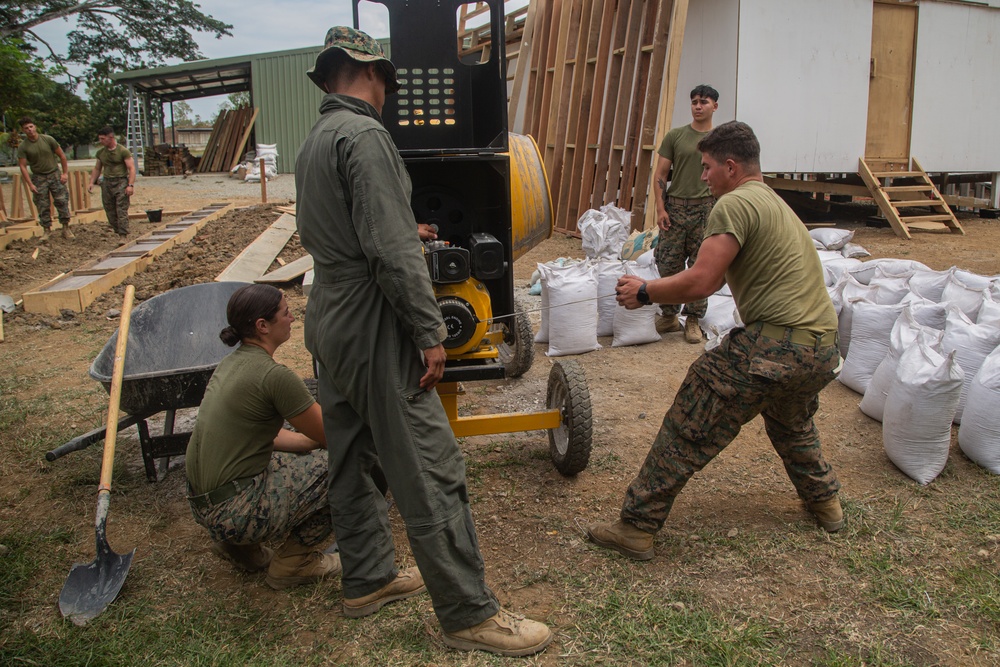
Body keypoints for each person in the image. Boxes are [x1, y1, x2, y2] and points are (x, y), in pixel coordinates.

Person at [295, 26, 552, 657]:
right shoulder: (366, 135)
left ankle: (368, 576)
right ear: (374, 76)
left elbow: (353, 231)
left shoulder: (317, 140)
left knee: (351, 452)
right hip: (371, 319)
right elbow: (391, 252)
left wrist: (398, 226)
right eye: (385, 81)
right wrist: (428, 331)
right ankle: (468, 613)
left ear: (328, 77)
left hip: (328, 311)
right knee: (430, 466)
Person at [587, 121, 844, 561]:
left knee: (689, 422)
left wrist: (645, 291)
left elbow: (703, 281)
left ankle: (636, 527)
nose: (702, 176)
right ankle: (827, 505)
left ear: (730, 167)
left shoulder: (733, 204)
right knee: (791, 421)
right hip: (821, 350)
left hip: (774, 348)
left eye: (706, 168)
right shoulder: (774, 203)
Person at [185, 284, 342, 590]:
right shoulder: (274, 376)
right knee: (348, 464)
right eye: (286, 313)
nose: (293, 318)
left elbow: (258, 439)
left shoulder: (231, 364)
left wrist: (307, 443)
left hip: (204, 504)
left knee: (296, 450)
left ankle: (239, 548)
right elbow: (333, 437)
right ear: (262, 325)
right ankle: (295, 562)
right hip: (235, 511)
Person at [651, 85, 720, 344]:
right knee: (668, 263)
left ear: (715, 106)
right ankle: (669, 315)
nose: (698, 106)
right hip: (675, 209)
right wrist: (660, 208)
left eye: (704, 102)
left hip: (706, 209)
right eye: (694, 102)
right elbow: (660, 175)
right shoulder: (676, 136)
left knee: (701, 265)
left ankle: (692, 319)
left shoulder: (719, 140)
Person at [16, 117, 73, 240]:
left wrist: (65, 173)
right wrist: (30, 184)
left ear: (35, 127)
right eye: (26, 128)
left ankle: (66, 228)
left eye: (31, 127)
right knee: (42, 204)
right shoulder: (23, 146)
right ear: (23, 130)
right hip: (38, 177)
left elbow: (62, 156)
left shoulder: (48, 140)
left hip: (54, 174)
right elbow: (23, 166)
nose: (29, 130)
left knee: (62, 201)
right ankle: (46, 230)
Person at [88, 126, 136, 242]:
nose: (101, 141)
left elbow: (132, 168)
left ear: (111, 137)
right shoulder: (101, 153)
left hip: (121, 182)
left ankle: (123, 236)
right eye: (100, 138)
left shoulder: (122, 151)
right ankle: (118, 230)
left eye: (103, 139)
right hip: (107, 183)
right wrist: (91, 182)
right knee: (110, 211)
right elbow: (97, 168)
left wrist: (130, 185)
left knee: (121, 210)